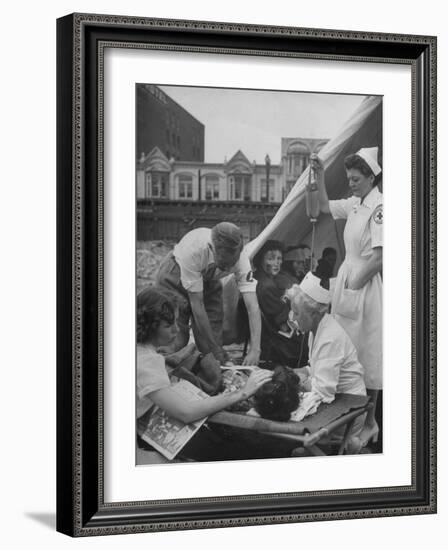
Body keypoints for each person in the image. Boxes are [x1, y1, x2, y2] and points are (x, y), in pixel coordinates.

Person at [136, 287, 274, 461]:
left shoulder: (139, 351)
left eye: (176, 322)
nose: (176, 330)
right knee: (233, 451)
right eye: (168, 325)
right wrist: (242, 393)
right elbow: (186, 413)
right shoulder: (146, 361)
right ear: (150, 326)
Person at [311, 147, 383, 448]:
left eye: (355, 179)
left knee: (368, 351)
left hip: (364, 282)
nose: (351, 183)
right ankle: (349, 417)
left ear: (370, 177)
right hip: (348, 279)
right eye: (348, 178)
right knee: (345, 348)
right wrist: (321, 173)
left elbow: (380, 257)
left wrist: (354, 283)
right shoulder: (356, 204)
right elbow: (325, 206)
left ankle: (369, 421)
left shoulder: (380, 208)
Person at [155, 222, 261, 366]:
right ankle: (164, 375)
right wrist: (215, 350)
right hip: (176, 274)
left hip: (209, 278)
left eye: (232, 264)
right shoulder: (193, 250)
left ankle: (210, 378)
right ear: (212, 248)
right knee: (176, 337)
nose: (229, 268)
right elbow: (197, 306)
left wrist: (255, 349)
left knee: (212, 339)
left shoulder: (242, 260)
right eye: (224, 264)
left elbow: (252, 306)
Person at [287, 272, 367, 451]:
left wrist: (297, 380)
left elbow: (323, 392)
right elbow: (316, 367)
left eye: (297, 313)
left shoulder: (329, 338)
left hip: (349, 409)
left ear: (314, 313)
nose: (292, 317)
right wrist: (295, 371)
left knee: (298, 449)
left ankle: (345, 446)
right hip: (338, 400)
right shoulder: (316, 329)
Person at [253, 240, 308, 368]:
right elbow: (283, 323)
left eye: (279, 258)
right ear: (260, 259)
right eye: (271, 259)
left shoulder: (260, 278)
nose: (276, 263)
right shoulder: (267, 286)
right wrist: (290, 300)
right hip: (276, 339)